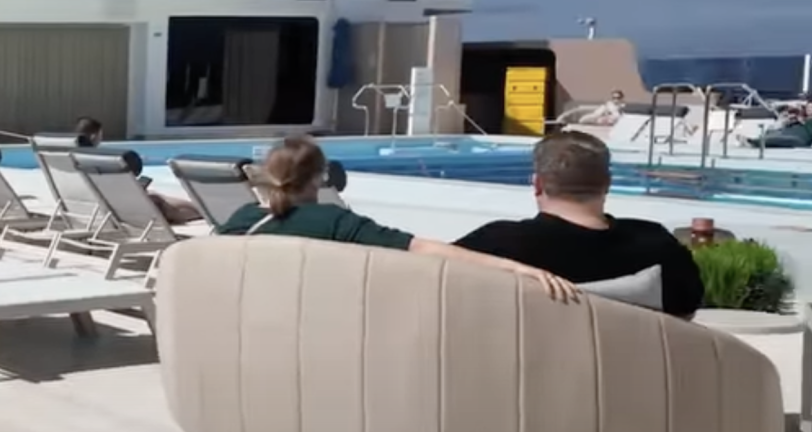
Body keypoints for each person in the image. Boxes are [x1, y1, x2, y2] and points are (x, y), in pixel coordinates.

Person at [217, 135, 581, 303]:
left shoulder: (242, 220)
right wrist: (516, 268)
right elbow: (422, 249)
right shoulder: (334, 222)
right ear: (318, 178)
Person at [454, 131, 704, 317]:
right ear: (607, 183)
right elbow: (685, 314)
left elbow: (435, 267)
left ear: (538, 184)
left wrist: (506, 265)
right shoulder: (657, 244)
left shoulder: (500, 243)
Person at [73, 117, 202, 226]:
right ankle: (202, 211)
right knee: (160, 202)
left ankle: (200, 208)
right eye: (101, 135)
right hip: (116, 211)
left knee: (153, 195)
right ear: (94, 136)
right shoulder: (97, 161)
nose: (101, 139)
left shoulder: (76, 159)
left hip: (89, 208)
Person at [558, 89, 625, 127]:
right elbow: (596, 115)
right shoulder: (608, 105)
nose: (616, 100)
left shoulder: (623, 107)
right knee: (586, 119)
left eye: (618, 98)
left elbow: (620, 117)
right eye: (614, 98)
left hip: (612, 124)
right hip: (600, 119)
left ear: (621, 98)